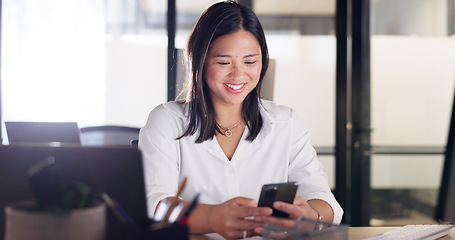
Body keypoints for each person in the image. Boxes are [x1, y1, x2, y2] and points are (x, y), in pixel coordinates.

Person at [139, 1, 343, 239]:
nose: (238, 74)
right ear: (199, 62)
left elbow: (323, 199)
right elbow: (153, 204)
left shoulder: (286, 122)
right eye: (224, 62)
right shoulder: (166, 122)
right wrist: (211, 219)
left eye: (250, 61)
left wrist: (310, 216)